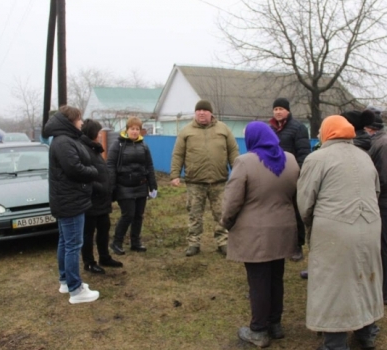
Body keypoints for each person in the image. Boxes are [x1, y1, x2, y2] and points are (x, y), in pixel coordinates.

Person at [297, 115, 383, 350]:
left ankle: (334, 344)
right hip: (370, 225)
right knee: (364, 277)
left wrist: (311, 225)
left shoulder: (317, 158)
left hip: (334, 229)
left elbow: (305, 202)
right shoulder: (365, 157)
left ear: (327, 133)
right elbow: (376, 192)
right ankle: (366, 333)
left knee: (332, 284)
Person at [221, 121, 299, 348]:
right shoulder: (291, 160)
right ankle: (275, 324)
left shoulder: (245, 162)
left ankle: (258, 329)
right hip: (284, 229)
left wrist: (226, 222)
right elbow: (296, 195)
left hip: (255, 233)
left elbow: (232, 201)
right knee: (276, 278)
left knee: (258, 282)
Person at [43, 105, 100, 304]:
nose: (82, 122)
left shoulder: (63, 140)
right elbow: (74, 169)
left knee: (65, 242)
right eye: (79, 119)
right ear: (70, 121)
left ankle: (66, 281)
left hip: (67, 199)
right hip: (70, 201)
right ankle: (75, 290)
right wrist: (93, 171)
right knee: (73, 245)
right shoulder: (64, 142)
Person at [170, 99, 239, 257]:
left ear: (211, 113)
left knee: (221, 213)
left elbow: (233, 152)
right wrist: (175, 175)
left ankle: (223, 242)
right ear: (195, 113)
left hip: (219, 181)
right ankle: (194, 243)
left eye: (205, 110)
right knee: (194, 214)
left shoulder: (223, 129)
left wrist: (238, 171)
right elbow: (178, 154)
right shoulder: (186, 131)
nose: (201, 113)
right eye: (198, 111)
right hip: (195, 182)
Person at [107, 117, 157, 255]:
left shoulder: (144, 146)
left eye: (137, 129)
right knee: (128, 215)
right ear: (127, 130)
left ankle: (136, 242)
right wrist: (111, 186)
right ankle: (116, 242)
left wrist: (153, 186)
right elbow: (110, 165)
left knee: (138, 215)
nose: (135, 132)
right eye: (132, 129)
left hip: (141, 185)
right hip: (124, 186)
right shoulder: (118, 145)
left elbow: (149, 166)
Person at [364, 106, 387, 306]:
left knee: (381, 245)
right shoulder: (376, 141)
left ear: (371, 128)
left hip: (382, 201)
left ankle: (383, 291)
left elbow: (384, 179)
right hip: (378, 200)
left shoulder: (383, 145)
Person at [269, 98, 310, 262]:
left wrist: (298, 174)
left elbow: (303, 153)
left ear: (288, 111)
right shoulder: (270, 128)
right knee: (275, 210)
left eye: (281, 109)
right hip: (273, 175)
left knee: (295, 212)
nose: (278, 112)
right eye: (275, 109)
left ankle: (297, 246)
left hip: (292, 176)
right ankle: (277, 244)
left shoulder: (298, 128)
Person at [79, 119, 123, 274]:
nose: (99, 135)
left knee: (104, 229)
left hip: (102, 200)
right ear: (92, 133)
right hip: (91, 200)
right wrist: (101, 188)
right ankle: (89, 262)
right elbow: (85, 176)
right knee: (88, 233)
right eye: (98, 132)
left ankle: (104, 257)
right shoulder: (83, 150)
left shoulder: (94, 149)